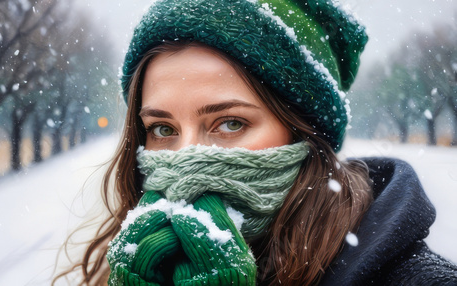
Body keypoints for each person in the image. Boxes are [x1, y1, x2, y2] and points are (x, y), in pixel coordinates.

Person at [54, 0, 457, 285]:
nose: (187, 159)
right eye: (163, 129)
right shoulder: (136, 263)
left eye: (230, 123)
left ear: (303, 130)